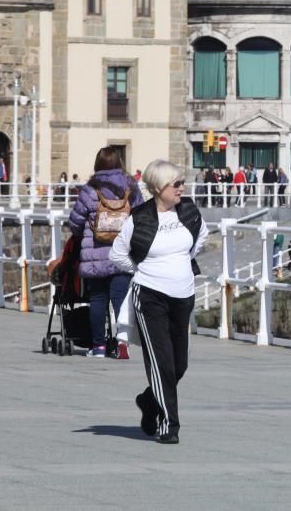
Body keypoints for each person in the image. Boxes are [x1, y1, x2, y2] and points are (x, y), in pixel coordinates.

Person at [109, 160, 208, 445]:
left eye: (181, 182)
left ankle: (149, 401)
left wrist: (182, 263)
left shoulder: (188, 211)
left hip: (183, 295)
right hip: (150, 295)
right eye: (175, 184)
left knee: (179, 365)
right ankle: (169, 425)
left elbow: (200, 237)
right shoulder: (139, 218)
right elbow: (117, 254)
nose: (181, 188)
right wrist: (142, 270)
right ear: (157, 188)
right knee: (161, 362)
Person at [67, 147, 144, 359]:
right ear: (119, 163)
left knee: (98, 299)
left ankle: (98, 346)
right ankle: (122, 343)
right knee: (120, 299)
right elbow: (142, 216)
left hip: (95, 256)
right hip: (123, 253)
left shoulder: (90, 189)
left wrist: (81, 234)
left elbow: (75, 221)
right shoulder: (131, 188)